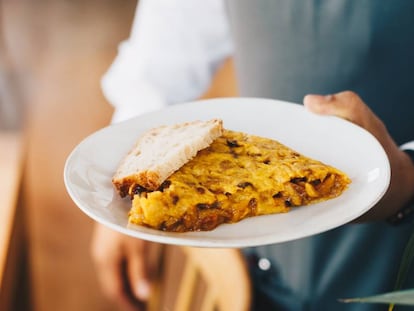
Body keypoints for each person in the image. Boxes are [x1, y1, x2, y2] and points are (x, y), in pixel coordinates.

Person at [91, 1, 414, 310]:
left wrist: (406, 178)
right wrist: (125, 189)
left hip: (395, 272)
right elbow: (163, 60)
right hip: (262, 274)